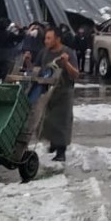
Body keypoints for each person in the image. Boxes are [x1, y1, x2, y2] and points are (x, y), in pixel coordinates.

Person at [28, 26, 79, 162]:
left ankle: (61, 152)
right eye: (45, 38)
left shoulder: (68, 52)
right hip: (47, 92)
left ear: (57, 39)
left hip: (63, 93)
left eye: (49, 38)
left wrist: (66, 62)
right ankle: (53, 144)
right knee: (47, 121)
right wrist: (28, 61)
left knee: (61, 122)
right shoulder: (44, 53)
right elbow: (36, 70)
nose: (46, 41)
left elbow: (75, 75)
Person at [0, 18, 22, 83]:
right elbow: (19, 38)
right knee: (5, 75)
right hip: (6, 56)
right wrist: (21, 30)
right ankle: (3, 88)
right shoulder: (8, 34)